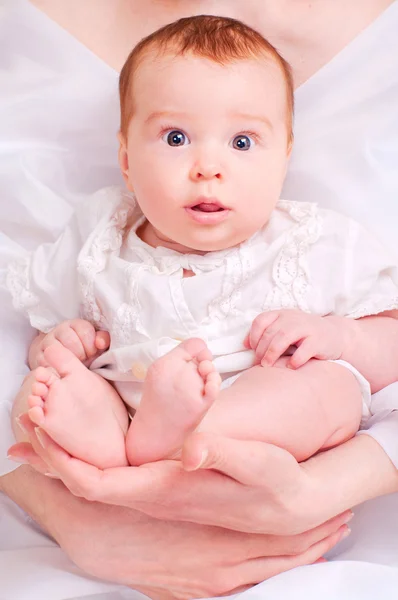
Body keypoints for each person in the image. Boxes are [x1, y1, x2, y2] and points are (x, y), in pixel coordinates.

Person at [1, 1, 398, 599]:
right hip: (131, 398)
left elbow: (390, 339)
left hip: (255, 410)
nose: (207, 167)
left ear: (285, 155)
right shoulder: (98, 235)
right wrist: (59, 345)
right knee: (53, 387)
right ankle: (124, 445)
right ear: (127, 159)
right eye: (177, 137)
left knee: (323, 385)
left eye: (242, 141)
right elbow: (43, 324)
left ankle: (176, 437)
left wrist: (341, 338)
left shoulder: (318, 240)